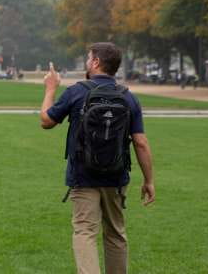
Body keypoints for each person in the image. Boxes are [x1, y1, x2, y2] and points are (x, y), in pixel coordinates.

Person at [40, 42, 155, 274]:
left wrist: (50, 88)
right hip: (116, 175)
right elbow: (140, 142)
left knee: (85, 232)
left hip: (83, 176)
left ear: (95, 62)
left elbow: (46, 121)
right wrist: (148, 180)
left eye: (88, 57)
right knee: (115, 234)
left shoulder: (76, 91)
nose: (86, 61)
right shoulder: (129, 98)